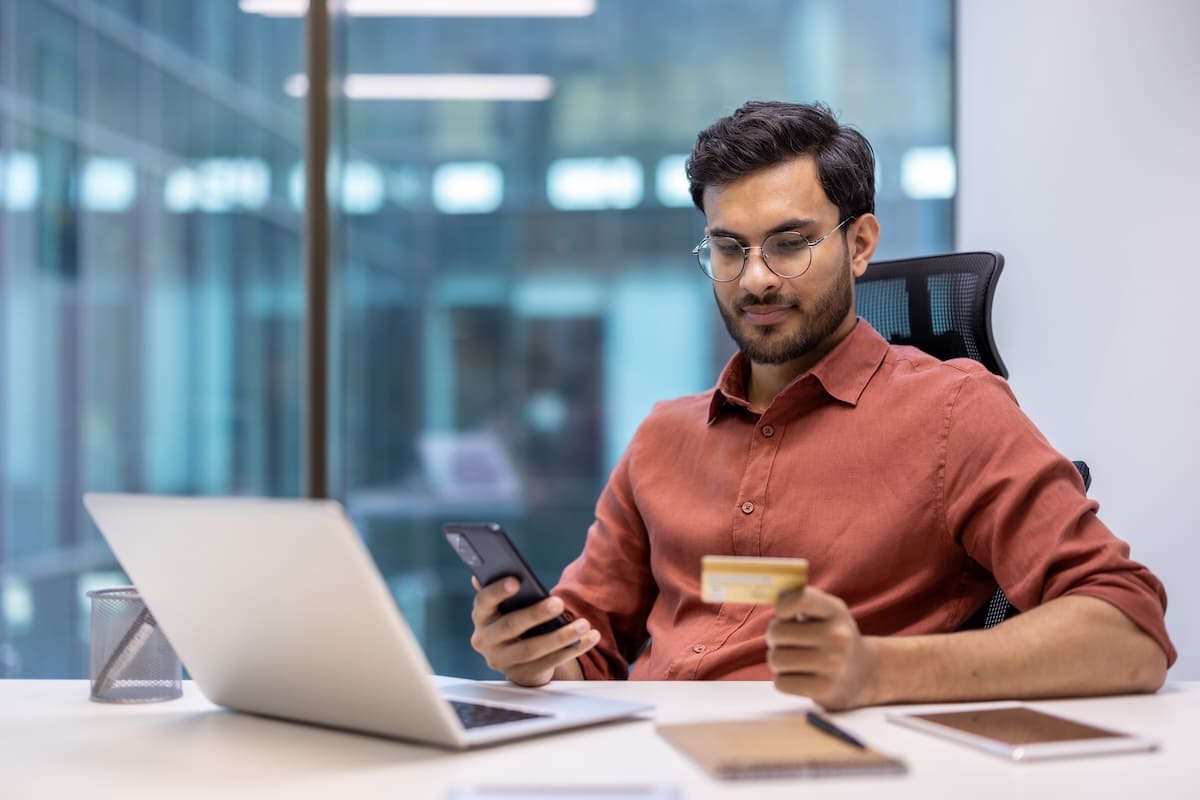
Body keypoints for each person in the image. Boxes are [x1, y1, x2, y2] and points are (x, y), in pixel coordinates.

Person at [468, 100, 1175, 710]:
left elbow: (1127, 631)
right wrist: (530, 652)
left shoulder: (957, 413)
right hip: (658, 767)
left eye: (790, 244)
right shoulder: (662, 437)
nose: (754, 280)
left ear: (860, 244)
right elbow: (585, 654)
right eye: (728, 248)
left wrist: (876, 669)